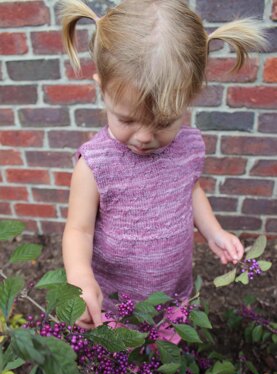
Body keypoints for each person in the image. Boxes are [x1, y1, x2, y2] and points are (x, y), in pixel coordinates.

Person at [60, 0, 267, 330]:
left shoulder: (188, 145)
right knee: (128, 363)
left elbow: (191, 189)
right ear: (102, 88)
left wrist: (213, 231)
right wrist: (81, 278)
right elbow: (78, 230)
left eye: (164, 122)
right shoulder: (95, 164)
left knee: (165, 355)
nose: (143, 137)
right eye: (126, 119)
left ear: (190, 98)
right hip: (118, 299)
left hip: (173, 287)